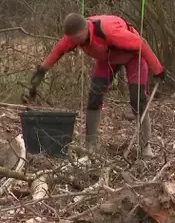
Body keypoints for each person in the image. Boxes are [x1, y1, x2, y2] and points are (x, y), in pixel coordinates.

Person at [29, 13, 165, 158]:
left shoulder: (110, 32)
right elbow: (57, 51)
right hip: (106, 60)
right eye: (73, 39)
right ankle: (91, 146)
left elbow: (141, 44)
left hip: (133, 57)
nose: (76, 42)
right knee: (94, 96)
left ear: (86, 28)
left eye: (78, 38)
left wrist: (158, 70)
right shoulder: (72, 38)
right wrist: (42, 70)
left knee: (138, 101)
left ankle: (146, 147)